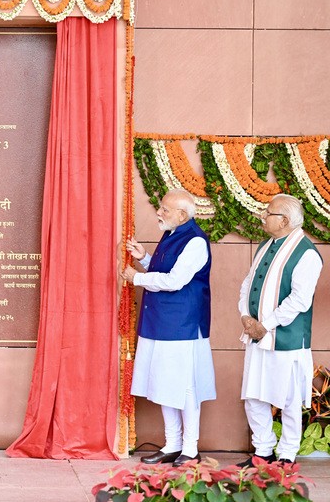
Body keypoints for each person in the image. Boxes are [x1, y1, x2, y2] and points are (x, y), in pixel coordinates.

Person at [121, 189, 216, 467]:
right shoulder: (173, 234)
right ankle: (173, 444)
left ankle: (190, 448)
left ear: (182, 215)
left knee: (185, 386)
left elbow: (175, 281)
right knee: (164, 383)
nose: (159, 213)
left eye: (165, 209)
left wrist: (137, 277)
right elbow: (165, 271)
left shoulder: (196, 241)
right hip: (160, 322)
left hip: (182, 324)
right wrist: (146, 258)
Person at [236, 194, 323, 466]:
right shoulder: (266, 245)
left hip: (287, 339)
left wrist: (266, 325)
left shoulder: (306, 253)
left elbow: (299, 299)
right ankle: (262, 450)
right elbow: (247, 283)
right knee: (253, 395)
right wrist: (245, 316)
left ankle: (286, 454)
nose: (264, 216)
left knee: (288, 400)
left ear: (284, 220)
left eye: (269, 213)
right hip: (256, 335)